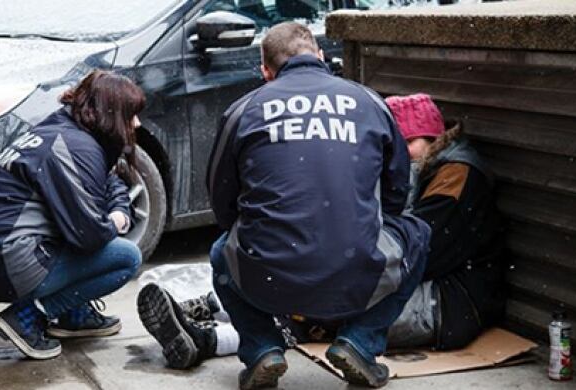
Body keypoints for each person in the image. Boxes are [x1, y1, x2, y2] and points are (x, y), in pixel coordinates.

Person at [137, 94, 506, 375]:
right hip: (436, 293)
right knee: (313, 288)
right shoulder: (432, 167)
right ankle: (205, 313)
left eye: (407, 144)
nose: (401, 155)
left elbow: (426, 249)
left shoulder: (457, 174)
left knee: (318, 308)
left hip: (451, 305)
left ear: (431, 136)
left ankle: (205, 338)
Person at [156, 22, 430, 389]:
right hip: (357, 271)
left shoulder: (244, 109)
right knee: (419, 234)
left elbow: (222, 203)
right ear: (320, 56)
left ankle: (261, 350)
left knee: (222, 251)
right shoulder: (368, 102)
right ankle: (360, 344)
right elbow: (397, 191)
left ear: (266, 71)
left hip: (267, 275)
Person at [0, 70, 145, 360]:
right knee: (125, 257)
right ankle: (29, 316)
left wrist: (119, 208)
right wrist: (116, 221)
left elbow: (109, 179)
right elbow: (88, 236)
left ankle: (73, 315)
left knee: (72, 233)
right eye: (131, 115)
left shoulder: (63, 130)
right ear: (110, 113)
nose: (137, 123)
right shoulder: (76, 147)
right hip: (4, 260)